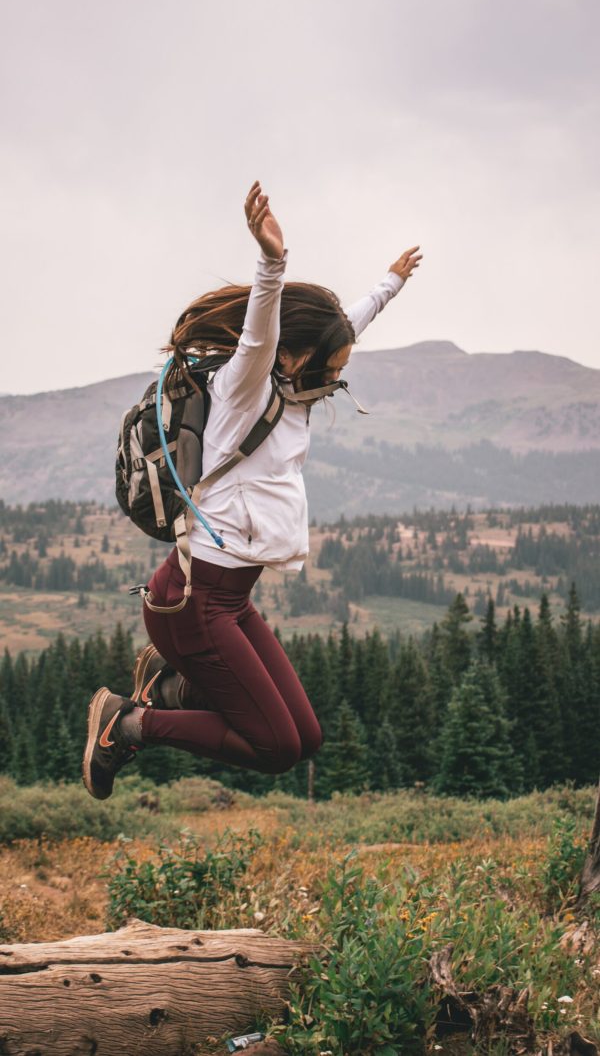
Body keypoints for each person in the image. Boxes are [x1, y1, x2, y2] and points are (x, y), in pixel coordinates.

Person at [83, 182, 422, 800]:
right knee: (276, 748)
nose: (340, 378)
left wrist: (390, 285)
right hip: (193, 601)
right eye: (335, 367)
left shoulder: (299, 394)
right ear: (293, 358)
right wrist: (271, 262)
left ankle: (172, 686)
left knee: (307, 739)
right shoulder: (249, 390)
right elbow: (263, 332)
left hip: (230, 601)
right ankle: (127, 722)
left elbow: (348, 325)